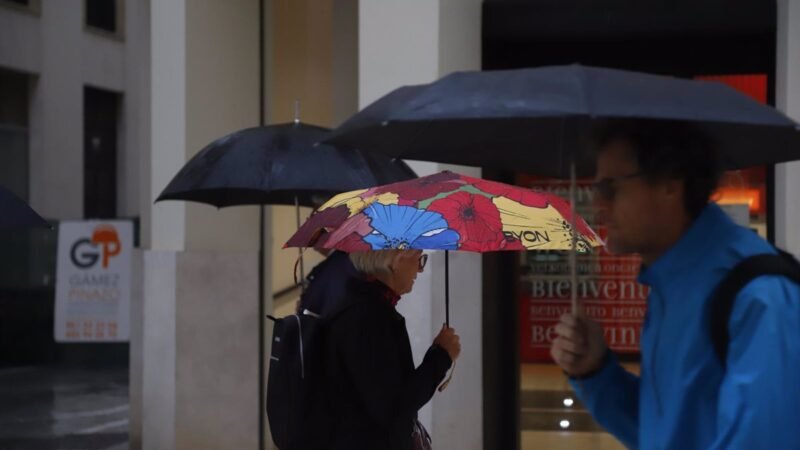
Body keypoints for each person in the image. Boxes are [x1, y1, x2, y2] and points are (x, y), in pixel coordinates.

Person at [550, 120, 800, 450]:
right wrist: (595, 371)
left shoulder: (757, 296)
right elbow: (669, 433)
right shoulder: (672, 286)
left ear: (670, 184)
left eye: (610, 188)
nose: (598, 205)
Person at [302, 248, 459, 450]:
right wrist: (441, 355)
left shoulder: (360, 304)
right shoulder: (368, 316)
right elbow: (396, 407)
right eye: (419, 259)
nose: (419, 270)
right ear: (396, 261)